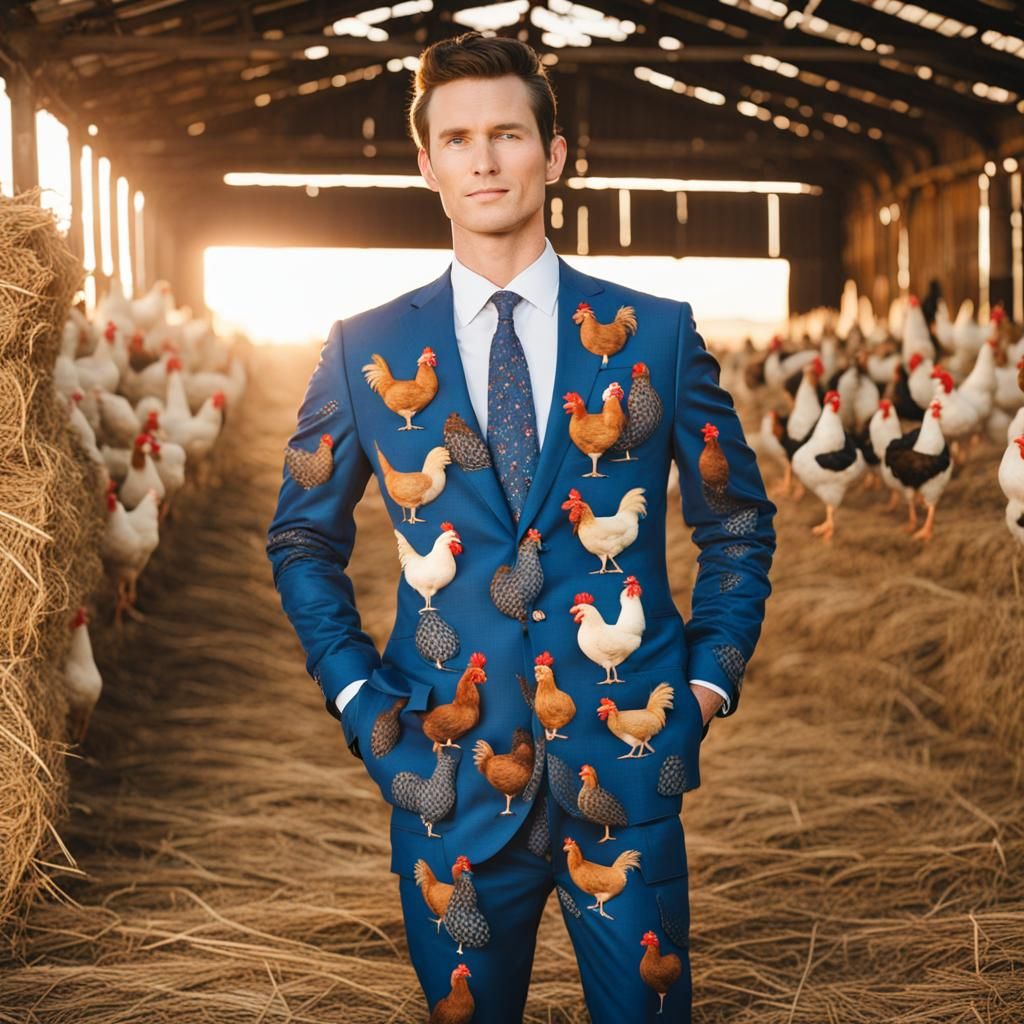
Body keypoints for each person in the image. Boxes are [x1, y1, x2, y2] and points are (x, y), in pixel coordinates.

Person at [266, 30, 775, 1023]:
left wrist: (705, 683)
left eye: (506, 133)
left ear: (556, 154)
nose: (484, 158)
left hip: (624, 775)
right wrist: (361, 702)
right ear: (426, 164)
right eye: (457, 139)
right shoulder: (365, 346)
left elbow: (738, 526)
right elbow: (302, 539)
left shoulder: (660, 333)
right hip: (443, 787)